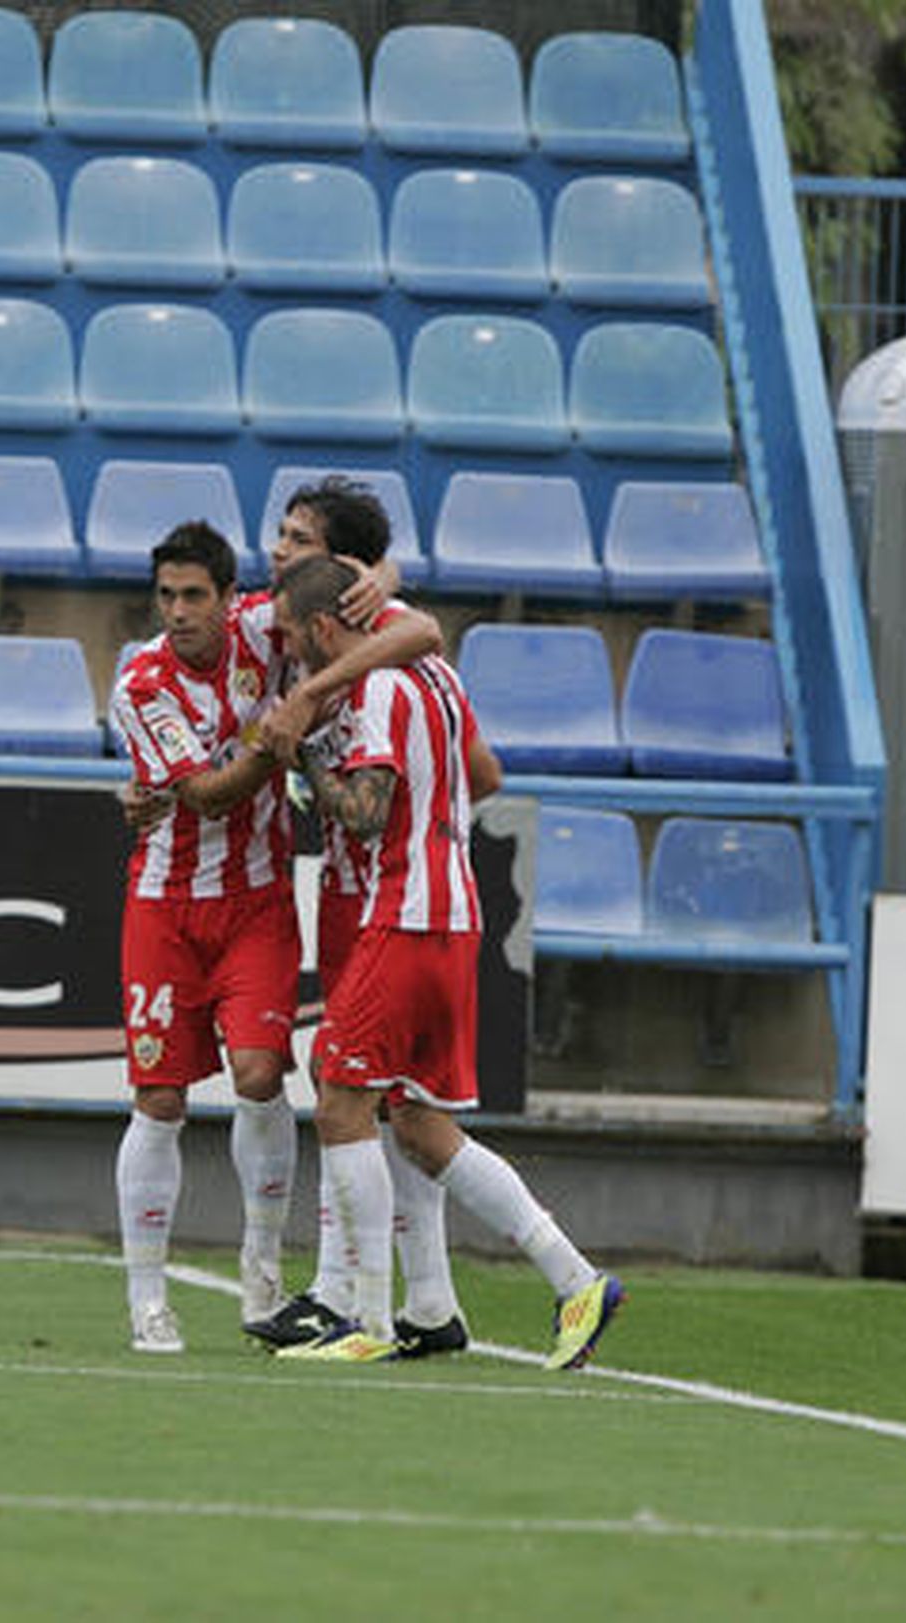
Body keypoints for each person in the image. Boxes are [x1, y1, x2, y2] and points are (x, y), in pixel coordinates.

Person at [270, 556, 626, 1370]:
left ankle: (362, 1315)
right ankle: (574, 1279)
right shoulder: (430, 672)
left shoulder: (380, 691)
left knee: (338, 1099)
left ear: (326, 628)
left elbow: (366, 814)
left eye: (294, 637)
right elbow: (477, 772)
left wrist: (305, 759)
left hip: (406, 910)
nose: (292, 655)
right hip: (454, 912)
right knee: (423, 1126)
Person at [109, 520, 442, 1354]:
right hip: (163, 905)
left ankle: (261, 1267)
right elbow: (213, 793)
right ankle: (147, 1297)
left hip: (257, 902)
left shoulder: (268, 626)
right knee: (160, 1099)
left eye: (194, 595)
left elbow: (417, 628)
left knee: (262, 1074)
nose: (178, 612)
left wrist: (383, 571)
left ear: (232, 600)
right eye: (166, 596)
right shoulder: (141, 683)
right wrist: (284, 733)